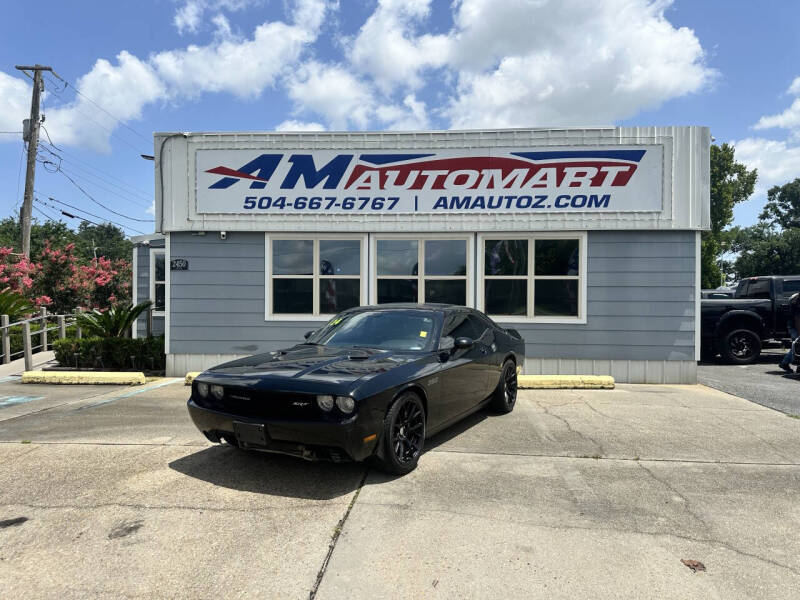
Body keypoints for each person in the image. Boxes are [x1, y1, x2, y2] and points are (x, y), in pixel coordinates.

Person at [779, 292, 800, 373]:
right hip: (795, 327)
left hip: (792, 326)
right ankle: (784, 363)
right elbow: (797, 319)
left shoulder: (795, 298)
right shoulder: (798, 302)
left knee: (796, 347)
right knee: (797, 346)